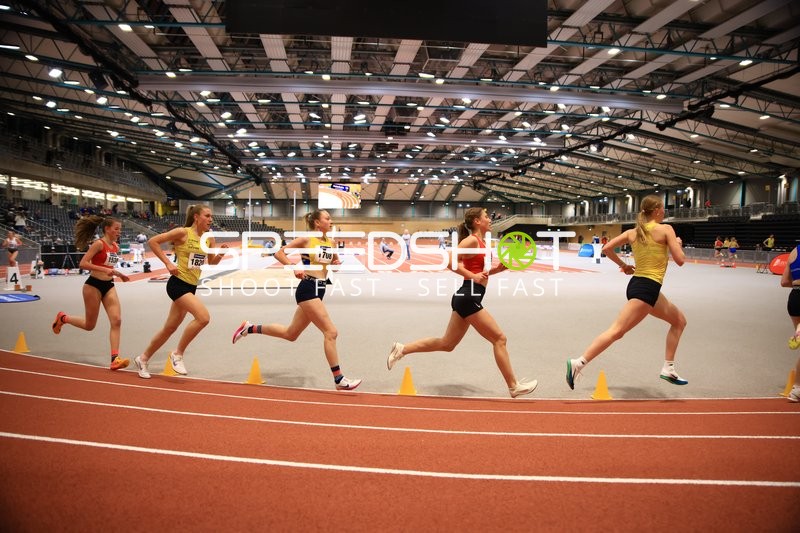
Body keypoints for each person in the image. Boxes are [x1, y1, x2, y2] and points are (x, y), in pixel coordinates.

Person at [386, 207, 537, 398]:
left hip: (467, 296)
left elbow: (480, 274)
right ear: (477, 221)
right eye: (486, 216)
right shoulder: (472, 240)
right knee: (499, 339)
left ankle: (402, 349)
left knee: (447, 344)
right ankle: (513, 386)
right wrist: (472, 276)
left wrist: (496, 270)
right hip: (468, 296)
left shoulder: (481, 243)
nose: (490, 219)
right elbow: (450, 262)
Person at [566, 195, 688, 390]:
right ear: (657, 210)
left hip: (642, 286)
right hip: (646, 289)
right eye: (663, 208)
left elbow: (606, 248)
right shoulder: (666, 230)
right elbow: (680, 260)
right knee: (617, 331)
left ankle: (668, 368)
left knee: (679, 321)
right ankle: (578, 363)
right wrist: (678, 244)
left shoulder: (633, 232)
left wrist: (624, 265)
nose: (664, 211)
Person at [231, 209, 361, 391]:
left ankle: (249, 328)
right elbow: (279, 253)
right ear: (317, 222)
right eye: (327, 218)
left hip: (321, 288)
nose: (331, 221)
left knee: (290, 334)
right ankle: (338, 379)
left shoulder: (330, 242)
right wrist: (293, 267)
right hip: (307, 288)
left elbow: (334, 262)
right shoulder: (306, 239)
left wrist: (335, 263)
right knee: (331, 332)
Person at [133, 205, 228, 379]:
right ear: (196, 217)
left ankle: (143, 358)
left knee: (169, 328)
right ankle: (177, 354)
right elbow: (153, 242)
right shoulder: (183, 232)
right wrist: (168, 263)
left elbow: (211, 262)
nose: (211, 219)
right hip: (177, 284)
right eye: (207, 216)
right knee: (203, 318)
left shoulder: (209, 238)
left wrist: (220, 254)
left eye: (211, 216)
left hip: (191, 286)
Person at [51, 217, 131, 371]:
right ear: (107, 229)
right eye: (116, 229)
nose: (119, 232)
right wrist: (104, 269)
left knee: (117, 320)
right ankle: (63, 318)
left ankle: (115, 359)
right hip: (93, 286)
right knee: (89, 325)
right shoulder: (98, 244)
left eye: (120, 229)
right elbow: (83, 263)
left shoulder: (115, 247)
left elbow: (109, 267)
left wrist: (120, 274)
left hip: (109, 285)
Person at [781, 243, 800, 402]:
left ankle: (797, 388)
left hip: (795, 297)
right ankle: (797, 389)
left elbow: (784, 282)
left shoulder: (795, 251)